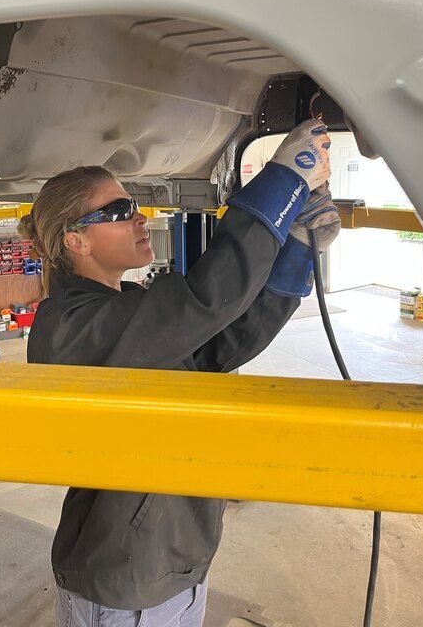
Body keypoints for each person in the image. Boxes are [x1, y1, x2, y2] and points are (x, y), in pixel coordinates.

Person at [20, 119, 339, 627]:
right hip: (128, 582)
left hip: (167, 560)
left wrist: (296, 251)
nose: (141, 217)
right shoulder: (73, 328)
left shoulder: (121, 309)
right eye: (120, 211)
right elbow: (203, 301)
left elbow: (217, 347)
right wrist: (283, 180)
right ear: (74, 241)